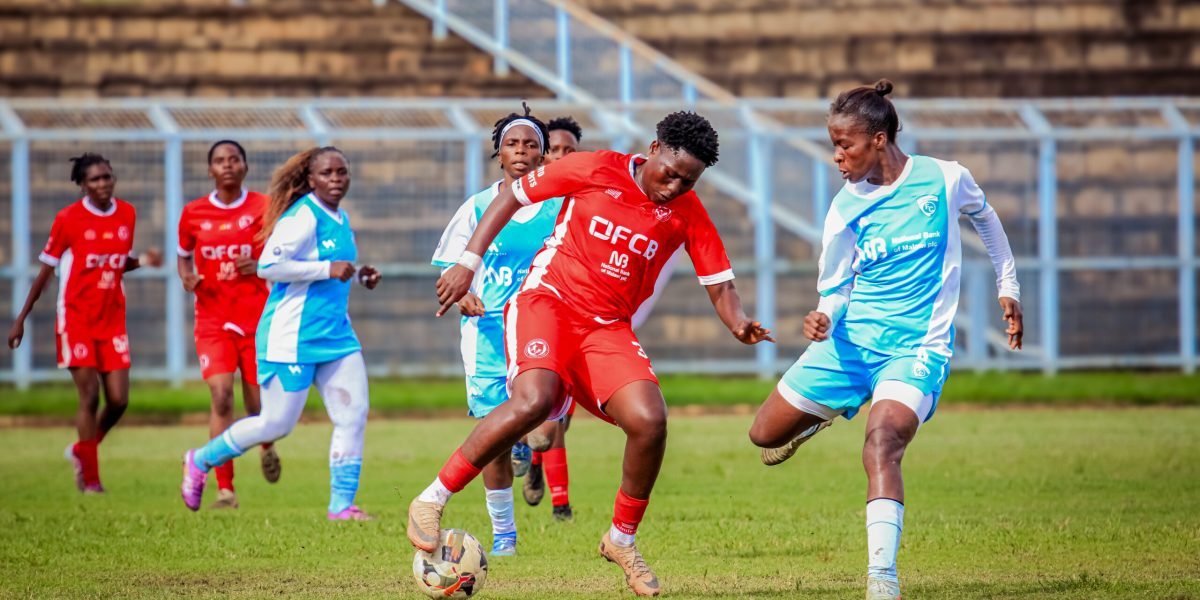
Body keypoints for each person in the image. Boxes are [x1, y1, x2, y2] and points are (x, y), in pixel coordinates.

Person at [410, 111, 774, 597]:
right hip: (548, 303)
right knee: (533, 401)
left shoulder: (686, 211)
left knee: (650, 420)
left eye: (688, 182)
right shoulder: (595, 167)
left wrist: (738, 323)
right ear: (653, 148)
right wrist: (467, 262)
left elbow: (719, 280)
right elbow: (512, 197)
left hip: (606, 329)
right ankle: (432, 498)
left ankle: (621, 540)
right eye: (670, 173)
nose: (674, 187)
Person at [747, 80, 1024, 600]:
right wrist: (823, 317)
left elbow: (986, 219)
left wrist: (1008, 286)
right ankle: (828, 412)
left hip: (916, 349)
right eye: (833, 145)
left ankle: (882, 578)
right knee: (763, 434)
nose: (837, 157)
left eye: (845, 145)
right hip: (850, 345)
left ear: (878, 139)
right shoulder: (844, 209)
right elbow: (834, 287)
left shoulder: (945, 179)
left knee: (882, 444)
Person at [180, 146, 382, 521]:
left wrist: (359, 272)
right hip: (291, 338)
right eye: (327, 173)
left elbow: (333, 266)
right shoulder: (301, 216)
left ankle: (341, 506)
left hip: (336, 336)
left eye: (342, 172)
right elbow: (270, 265)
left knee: (353, 415)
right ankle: (200, 459)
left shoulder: (339, 215)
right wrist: (326, 269)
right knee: (276, 425)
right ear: (310, 179)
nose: (336, 180)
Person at [432, 104, 562, 556]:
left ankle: (528, 442)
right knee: (495, 444)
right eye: (513, 143)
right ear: (499, 153)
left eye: (531, 144)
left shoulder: (559, 206)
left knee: (542, 432)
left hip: (542, 331)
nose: (522, 151)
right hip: (486, 336)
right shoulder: (479, 206)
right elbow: (449, 265)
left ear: (543, 154)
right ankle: (505, 536)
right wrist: (463, 294)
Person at [7, 153, 163, 493]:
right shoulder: (69, 219)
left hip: (112, 320)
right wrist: (21, 319)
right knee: (89, 395)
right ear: (82, 185)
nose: (103, 184)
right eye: (95, 179)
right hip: (76, 319)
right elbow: (45, 274)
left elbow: (115, 263)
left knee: (119, 400)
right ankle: (91, 479)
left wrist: (143, 261)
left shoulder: (127, 214)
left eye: (107, 177)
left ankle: (82, 450)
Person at [176, 140, 281, 509]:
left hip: (256, 319)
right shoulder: (193, 213)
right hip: (213, 321)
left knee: (258, 406)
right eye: (219, 161)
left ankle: (266, 443)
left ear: (245, 166)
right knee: (221, 396)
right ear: (210, 170)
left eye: (234, 159)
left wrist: (261, 264)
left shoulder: (264, 208)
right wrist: (186, 277)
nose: (227, 166)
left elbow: (280, 253)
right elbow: (184, 257)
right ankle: (225, 488)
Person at [520, 115, 582, 519]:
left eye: (568, 151)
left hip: (577, 315)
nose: (560, 157)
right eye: (553, 150)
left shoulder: (584, 196)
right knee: (543, 412)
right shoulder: (526, 199)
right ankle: (562, 506)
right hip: (534, 314)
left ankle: (538, 465)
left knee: (560, 419)